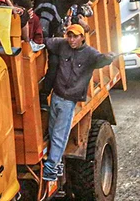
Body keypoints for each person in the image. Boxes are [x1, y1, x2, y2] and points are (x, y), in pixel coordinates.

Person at [42, 24, 115, 181]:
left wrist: (109, 58)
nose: (72, 39)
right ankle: (57, 164)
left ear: (82, 37)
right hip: (56, 96)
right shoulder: (61, 44)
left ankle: (51, 166)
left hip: (68, 102)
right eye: (69, 36)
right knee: (53, 131)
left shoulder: (90, 54)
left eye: (75, 36)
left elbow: (102, 60)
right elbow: (46, 41)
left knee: (59, 135)